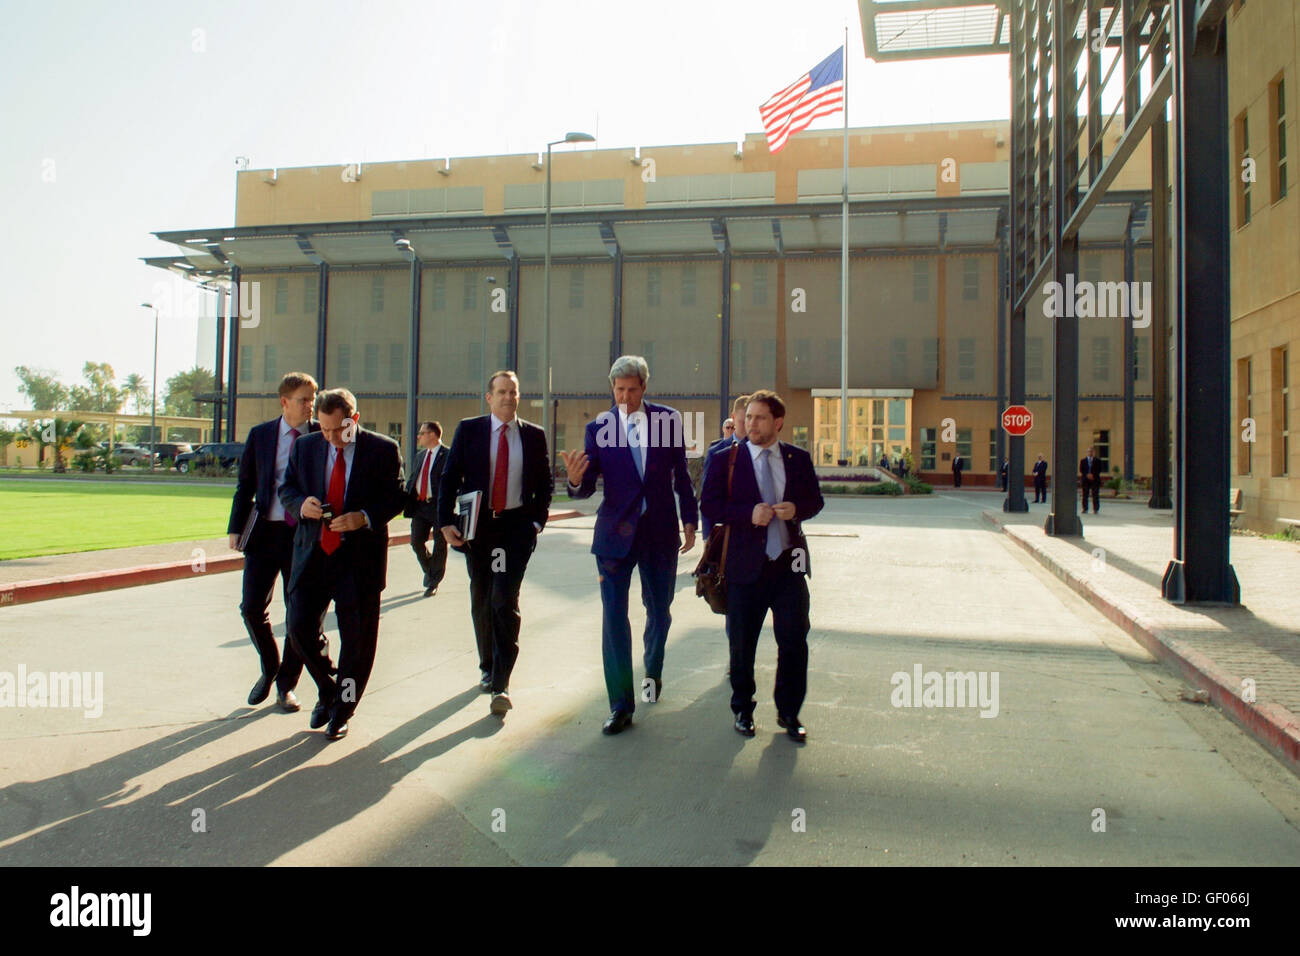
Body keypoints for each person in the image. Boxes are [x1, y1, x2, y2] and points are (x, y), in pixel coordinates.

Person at [560, 355, 698, 735]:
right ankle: (620, 705)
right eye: (618, 390)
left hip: (659, 533)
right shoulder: (599, 427)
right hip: (613, 538)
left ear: (644, 388)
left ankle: (652, 672)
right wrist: (574, 482)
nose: (624, 397)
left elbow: (681, 477)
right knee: (614, 620)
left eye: (631, 390)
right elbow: (587, 486)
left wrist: (690, 519)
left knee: (659, 610)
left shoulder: (667, 421)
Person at [279, 388, 406, 741]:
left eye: (340, 430)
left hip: (359, 561)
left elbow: (397, 496)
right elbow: (286, 488)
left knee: (358, 644)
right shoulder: (305, 447)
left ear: (355, 419)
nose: (333, 438)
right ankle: (329, 688)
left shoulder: (383, 449)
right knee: (298, 627)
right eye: (325, 429)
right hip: (313, 555)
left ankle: (342, 710)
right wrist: (300, 504)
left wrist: (363, 518)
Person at [699, 389, 824, 743]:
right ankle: (743, 709)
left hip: (788, 566)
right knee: (742, 643)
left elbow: (815, 501)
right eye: (748, 417)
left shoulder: (797, 459)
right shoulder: (726, 458)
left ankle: (789, 713)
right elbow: (709, 504)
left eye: (759, 418)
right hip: (744, 567)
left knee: (795, 639)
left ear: (778, 422)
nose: (750, 424)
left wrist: (796, 509)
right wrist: (746, 514)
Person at [438, 370, 552, 717]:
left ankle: (501, 682)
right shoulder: (469, 430)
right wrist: (444, 522)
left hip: (515, 530)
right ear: (489, 398)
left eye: (513, 392)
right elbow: (450, 476)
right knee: (483, 597)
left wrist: (536, 521)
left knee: (504, 599)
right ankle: (487, 664)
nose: (508, 397)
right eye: (501, 392)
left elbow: (545, 483)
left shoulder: (533, 435)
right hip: (479, 528)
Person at [226, 371, 318, 713]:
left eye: (312, 399)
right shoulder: (261, 435)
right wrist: (235, 527)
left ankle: (286, 686)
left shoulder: (318, 436)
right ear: (284, 402)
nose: (310, 406)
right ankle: (270, 667)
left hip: (303, 537)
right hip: (264, 534)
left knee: (299, 615)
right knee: (251, 607)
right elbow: (245, 484)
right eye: (303, 400)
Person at [404, 420, 448, 597]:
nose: (419, 436)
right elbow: (414, 478)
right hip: (421, 506)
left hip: (439, 506)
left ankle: (433, 582)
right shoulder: (420, 456)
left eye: (422, 433)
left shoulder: (448, 455)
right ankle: (431, 570)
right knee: (416, 541)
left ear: (432, 435)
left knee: (440, 544)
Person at [1080, 446, 1103, 514]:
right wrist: (1087, 474)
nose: (1090, 453)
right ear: (1087, 452)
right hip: (1085, 480)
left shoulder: (1098, 461)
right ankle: (1085, 508)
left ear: (1094, 453)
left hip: (1095, 479)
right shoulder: (1083, 461)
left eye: (1091, 451)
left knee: (1095, 495)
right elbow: (1081, 470)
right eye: (1089, 451)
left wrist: (1093, 475)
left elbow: (1099, 469)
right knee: (1085, 495)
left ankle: (1095, 509)